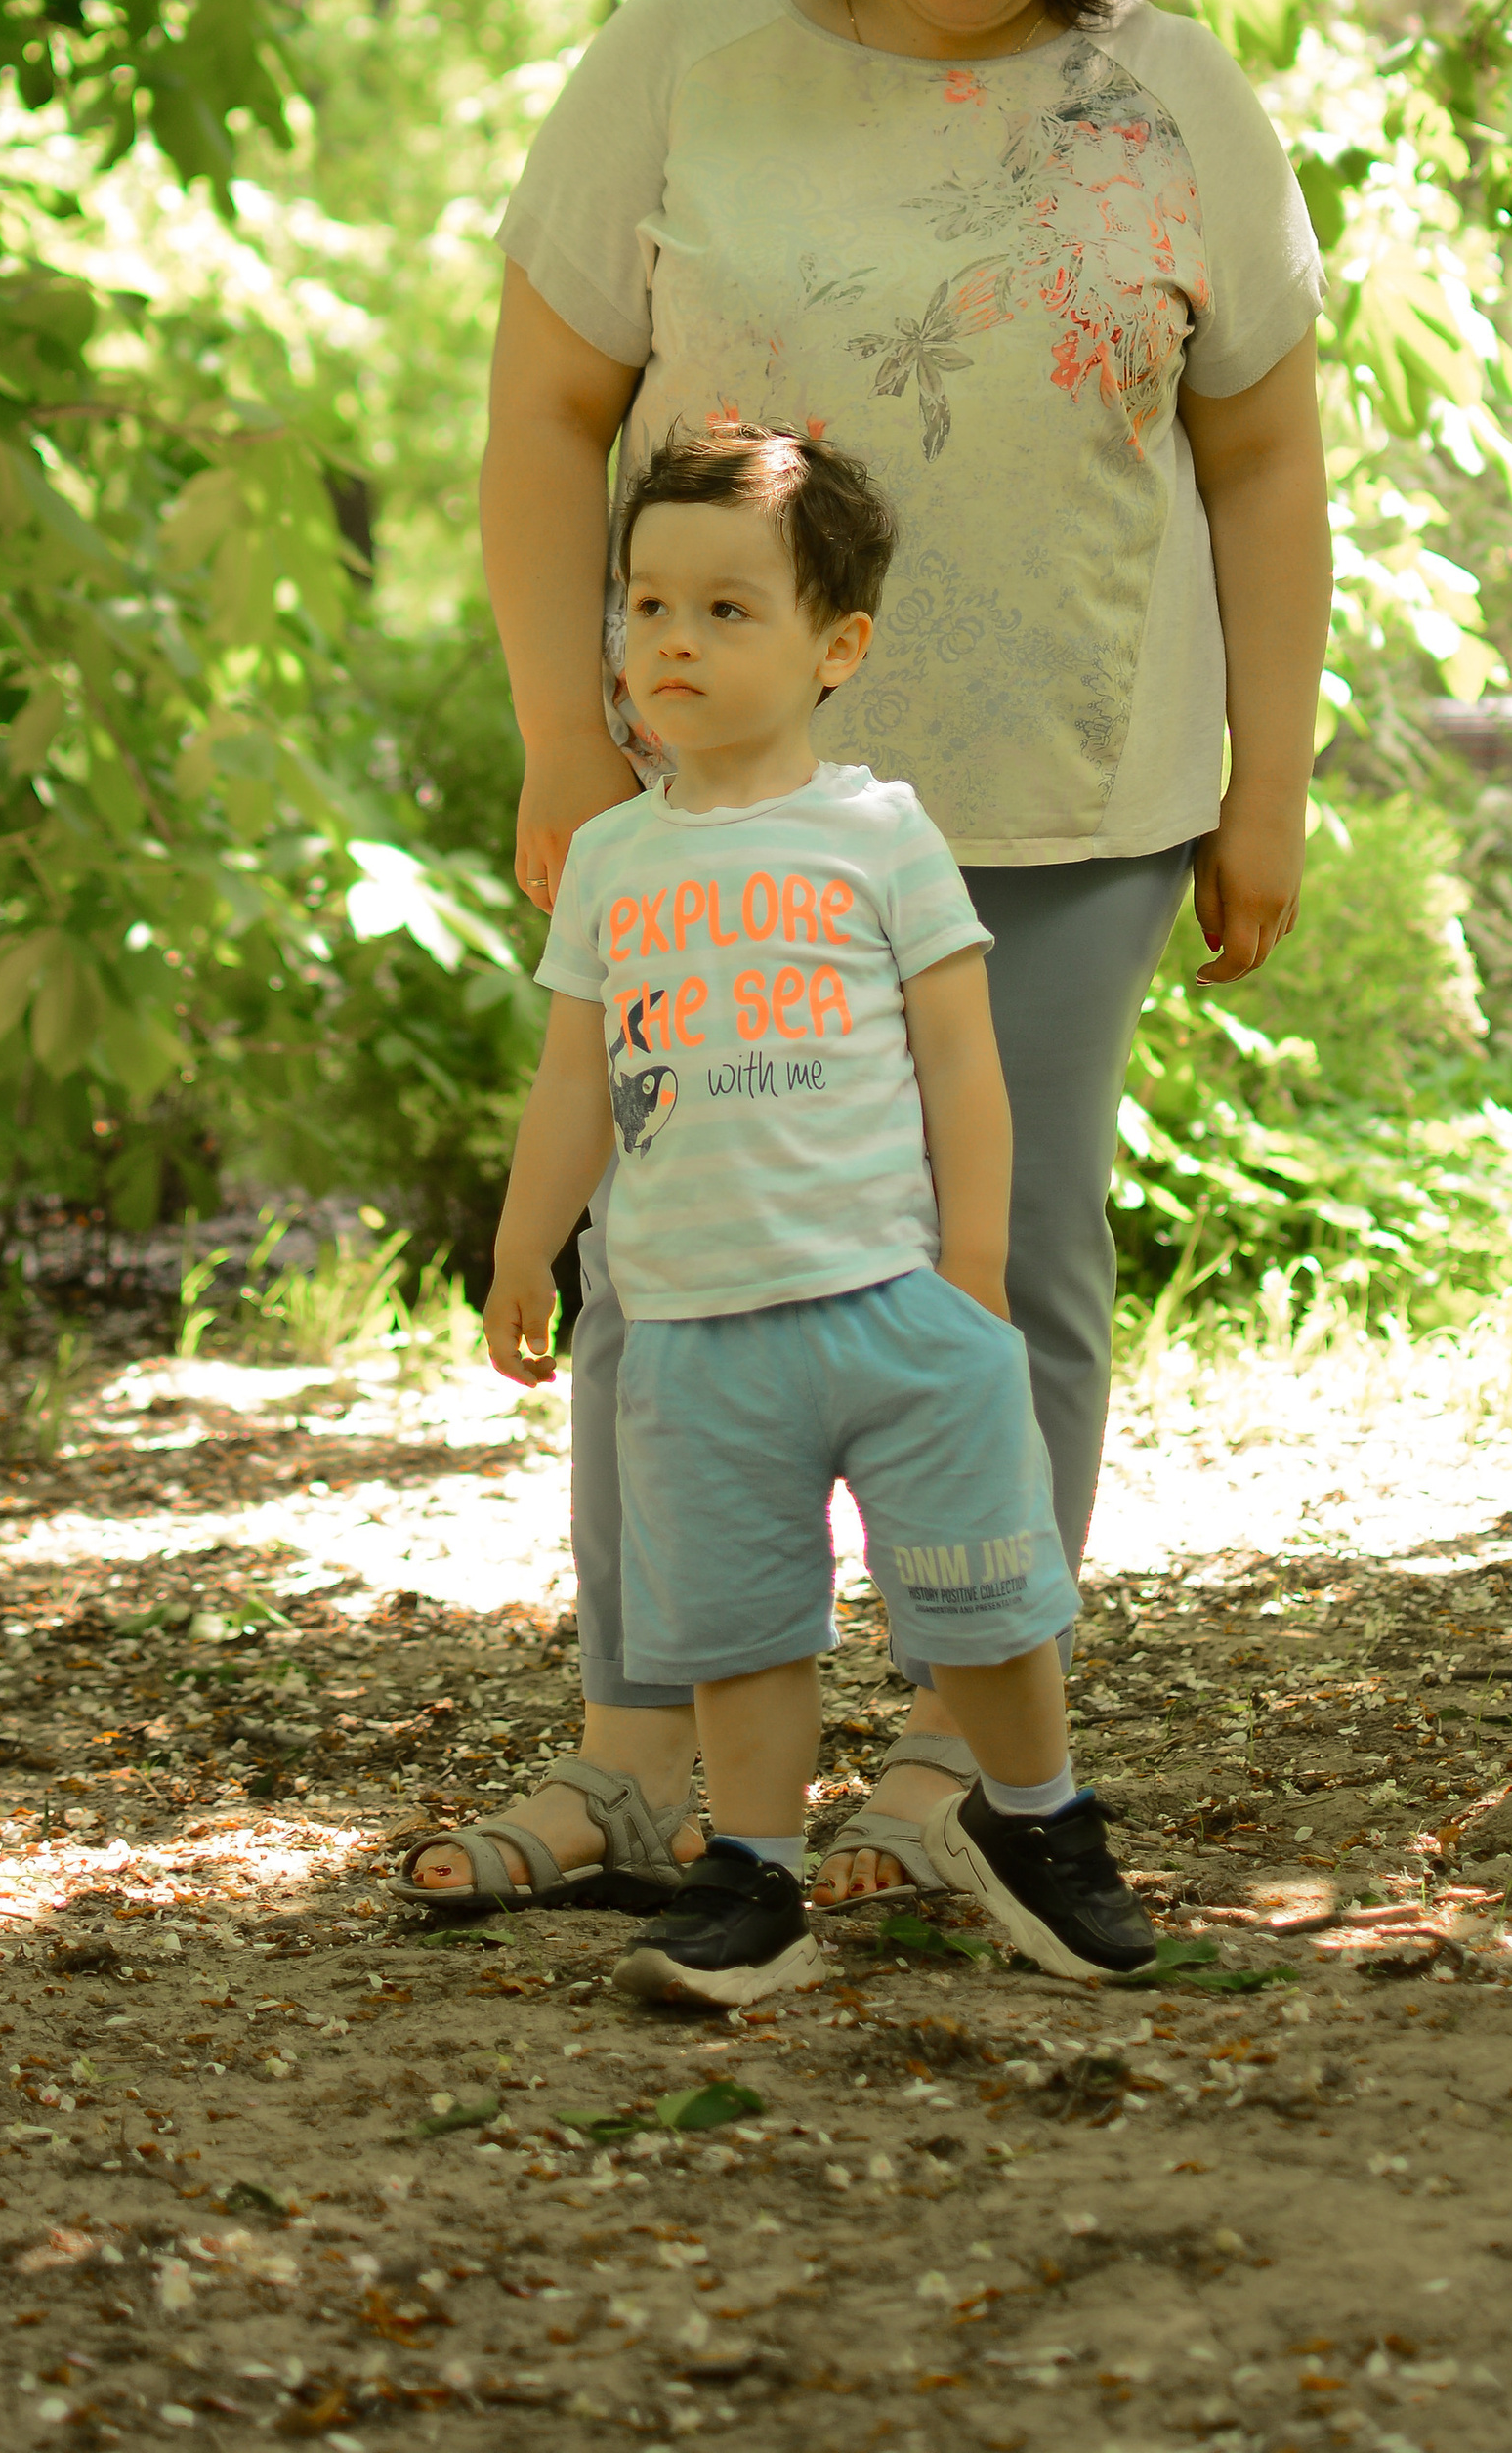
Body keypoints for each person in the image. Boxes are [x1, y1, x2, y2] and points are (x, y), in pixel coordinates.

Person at [405, 0, 1329, 1916]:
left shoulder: (1172, 100)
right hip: (713, 795)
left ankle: (953, 1773)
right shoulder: (682, 57)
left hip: (1062, 799)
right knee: (668, 1266)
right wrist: (561, 733)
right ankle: (643, 1766)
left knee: (997, 1273)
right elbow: (541, 421)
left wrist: (1267, 780)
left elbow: (1258, 452)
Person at [482, 423, 1157, 2001]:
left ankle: (1038, 1820)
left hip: (892, 1307)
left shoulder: (879, 835)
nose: (673, 640)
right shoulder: (612, 861)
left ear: (835, 646)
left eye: (727, 609)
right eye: (649, 605)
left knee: (985, 1597)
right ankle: (756, 1872)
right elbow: (575, 1081)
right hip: (693, 1328)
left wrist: (972, 1272)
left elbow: (964, 1063)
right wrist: (525, 1244)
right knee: (740, 1628)